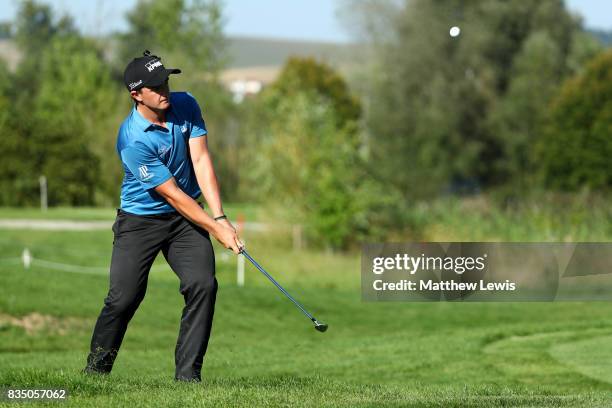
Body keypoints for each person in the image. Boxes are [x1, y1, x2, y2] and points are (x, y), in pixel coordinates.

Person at [84, 50, 243, 382]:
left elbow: (200, 161)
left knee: (202, 284)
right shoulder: (132, 139)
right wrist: (215, 229)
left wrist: (221, 216)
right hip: (140, 221)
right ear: (136, 94)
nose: (164, 90)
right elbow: (171, 193)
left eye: (166, 82)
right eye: (155, 86)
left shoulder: (186, 105)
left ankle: (187, 379)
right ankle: (95, 373)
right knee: (124, 298)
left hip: (184, 222)